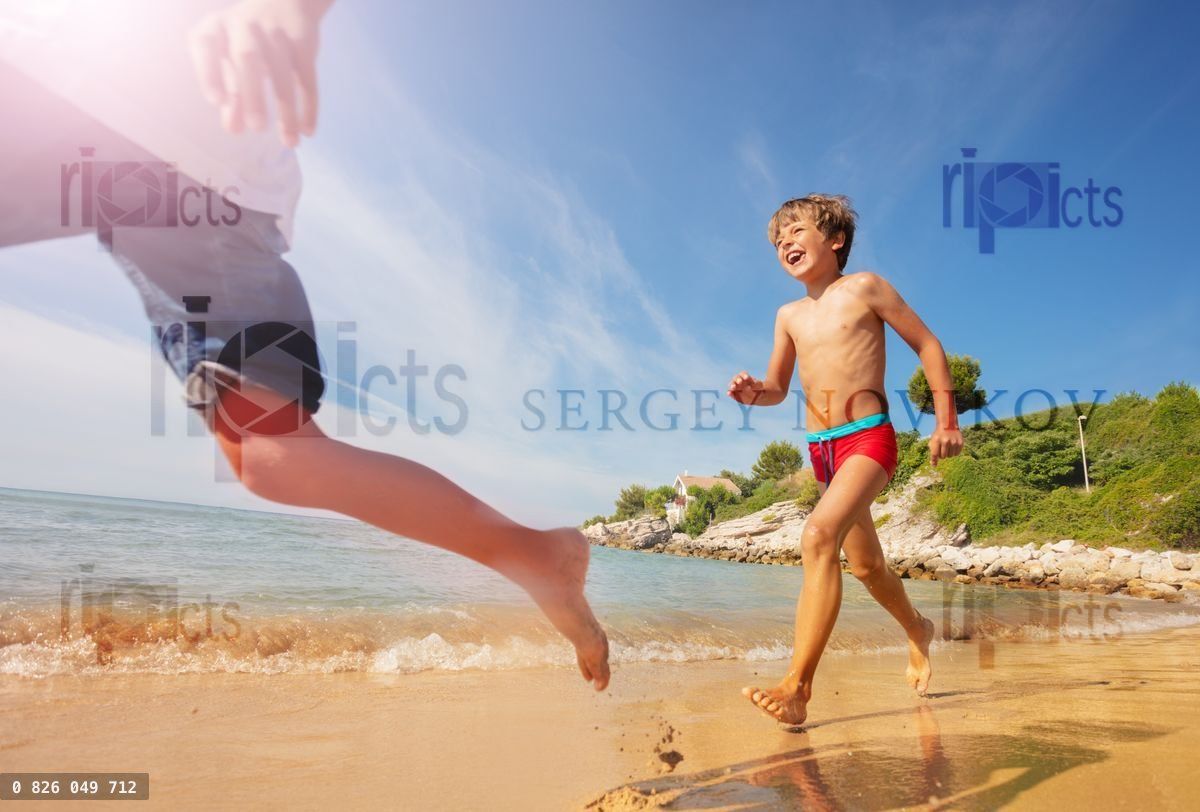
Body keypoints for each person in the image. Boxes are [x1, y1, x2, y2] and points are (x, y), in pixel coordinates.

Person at [0, 0, 610, 690]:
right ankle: (534, 555)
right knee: (274, 461)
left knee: (276, 457)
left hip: (177, 135)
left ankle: (533, 556)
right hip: (121, 138)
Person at [727, 194, 963, 725]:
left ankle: (797, 687)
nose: (785, 242)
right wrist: (753, 393)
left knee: (816, 537)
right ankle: (918, 628)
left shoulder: (866, 287)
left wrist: (946, 420)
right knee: (866, 567)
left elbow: (927, 344)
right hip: (821, 452)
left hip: (868, 438)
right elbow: (777, 387)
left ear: (835, 240)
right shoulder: (787, 315)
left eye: (796, 230)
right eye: (778, 240)